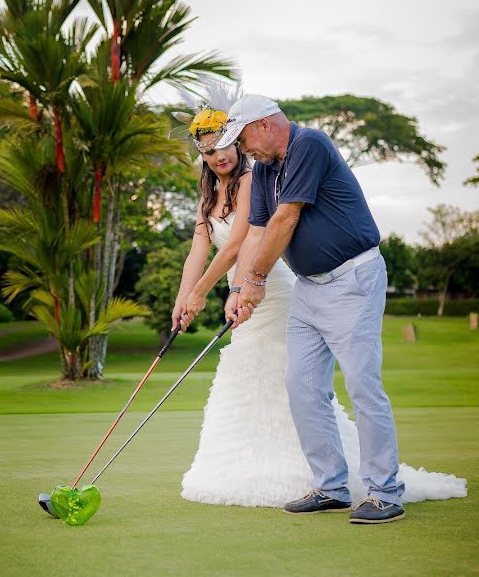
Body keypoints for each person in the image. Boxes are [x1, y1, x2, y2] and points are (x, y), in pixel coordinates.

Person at [172, 88, 466, 520]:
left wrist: (252, 280)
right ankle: (331, 486)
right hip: (309, 287)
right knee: (302, 387)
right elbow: (254, 232)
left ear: (264, 125)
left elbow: (286, 218)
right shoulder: (266, 171)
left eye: (244, 138)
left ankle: (385, 491)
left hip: (354, 279)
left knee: (363, 385)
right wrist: (237, 291)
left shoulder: (309, 143)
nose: (242, 148)